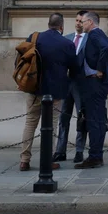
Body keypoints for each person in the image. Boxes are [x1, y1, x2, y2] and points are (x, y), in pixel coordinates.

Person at [19, 13, 78, 172]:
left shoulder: (34, 37)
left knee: (30, 123)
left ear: (48, 24)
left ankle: (24, 160)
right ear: (62, 26)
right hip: (55, 92)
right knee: (51, 126)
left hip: (34, 88)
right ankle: (47, 160)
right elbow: (74, 68)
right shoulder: (67, 44)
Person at [74, 11, 108, 169]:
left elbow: (107, 50)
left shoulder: (95, 35)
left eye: (83, 22)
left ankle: (95, 157)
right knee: (98, 118)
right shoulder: (100, 35)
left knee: (94, 119)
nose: (81, 25)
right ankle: (96, 155)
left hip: (95, 83)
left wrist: (102, 70)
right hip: (97, 83)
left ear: (90, 22)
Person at [52, 10, 89, 164]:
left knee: (81, 117)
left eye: (81, 21)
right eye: (76, 21)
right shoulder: (66, 38)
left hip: (81, 84)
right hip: (66, 83)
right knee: (63, 117)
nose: (78, 24)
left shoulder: (90, 39)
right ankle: (60, 150)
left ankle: (79, 150)